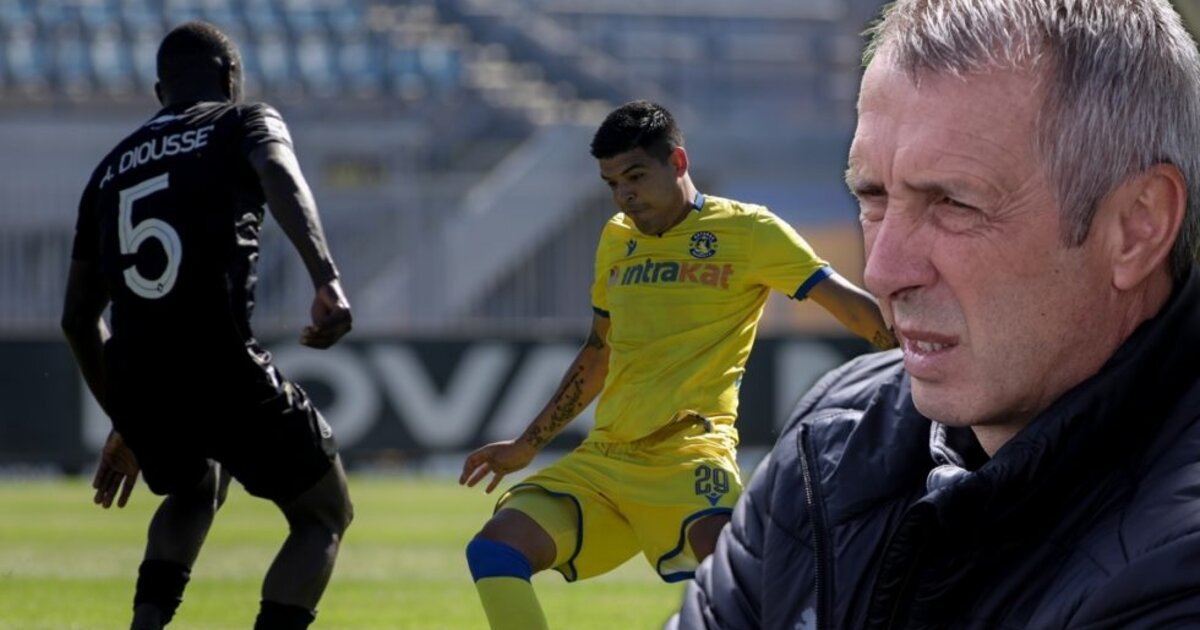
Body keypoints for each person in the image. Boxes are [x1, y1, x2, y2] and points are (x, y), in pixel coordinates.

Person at [670, 0, 1200, 628]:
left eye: (953, 204)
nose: (882, 272)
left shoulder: (1178, 555)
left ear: (1137, 227)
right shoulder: (833, 441)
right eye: (872, 196)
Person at [458, 100, 896, 630]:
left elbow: (850, 306)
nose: (624, 195)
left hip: (689, 452)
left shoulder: (749, 231)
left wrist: (921, 364)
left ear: (678, 162)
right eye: (612, 183)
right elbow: (598, 351)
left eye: (635, 176)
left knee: (742, 584)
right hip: (605, 458)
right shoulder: (616, 238)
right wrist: (528, 444)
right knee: (495, 549)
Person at [60, 21, 354, 630]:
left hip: (144, 378)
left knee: (194, 487)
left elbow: (77, 319)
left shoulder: (109, 170)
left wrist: (126, 415)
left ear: (159, 91)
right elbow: (279, 173)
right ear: (230, 76)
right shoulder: (241, 119)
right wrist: (325, 277)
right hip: (222, 361)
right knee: (324, 515)